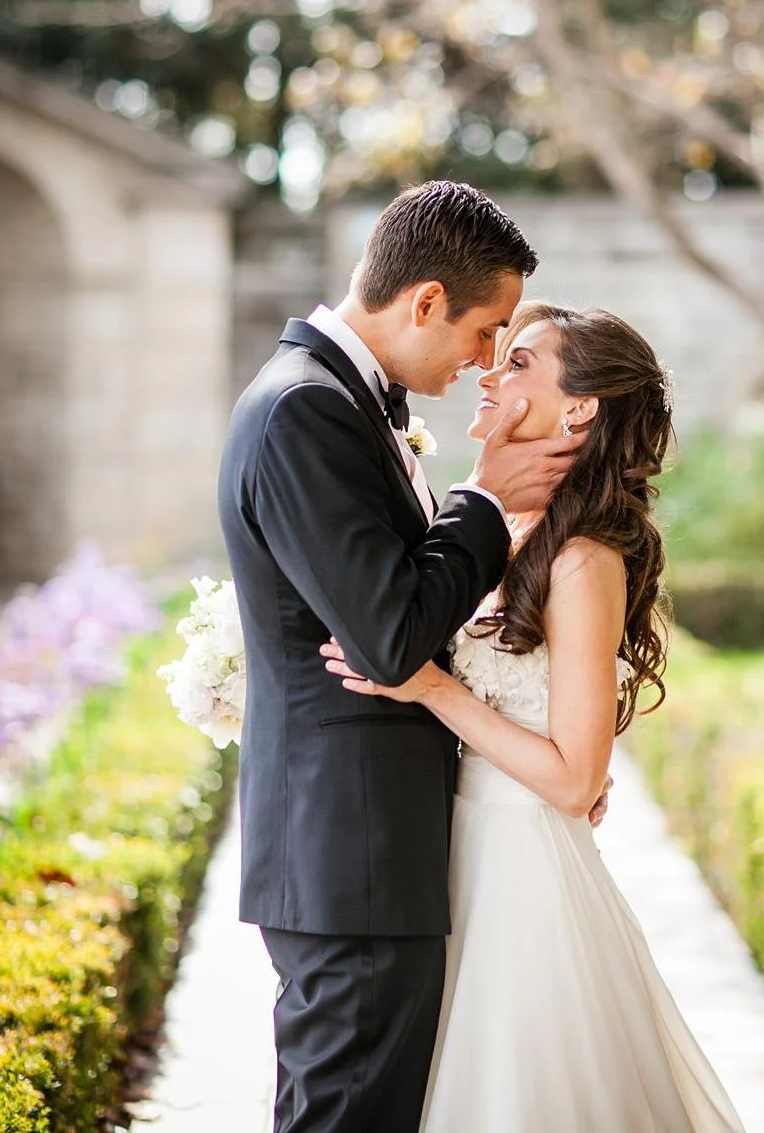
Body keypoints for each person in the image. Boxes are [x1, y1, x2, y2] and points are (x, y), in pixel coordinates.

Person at [217, 183, 592, 1133]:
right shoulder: (305, 410)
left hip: (369, 854)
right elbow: (389, 639)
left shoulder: (337, 402)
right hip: (355, 859)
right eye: (484, 333)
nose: (482, 364)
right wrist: (483, 499)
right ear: (425, 301)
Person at [323, 302, 748, 1133]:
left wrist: (431, 690)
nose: (489, 371)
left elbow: (574, 777)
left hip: (520, 872)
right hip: (454, 850)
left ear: (579, 408)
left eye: (519, 362)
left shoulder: (585, 558)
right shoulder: (506, 530)